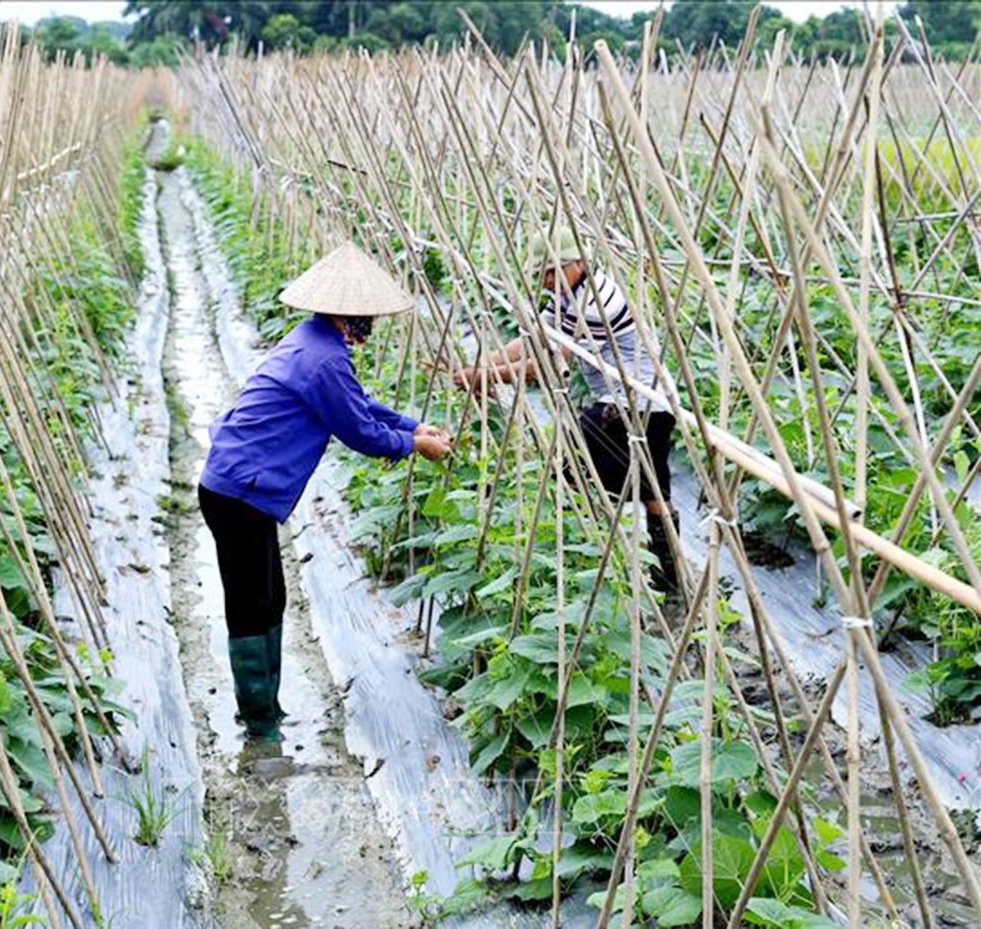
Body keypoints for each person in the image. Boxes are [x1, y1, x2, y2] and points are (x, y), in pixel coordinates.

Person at [199, 242, 452, 740]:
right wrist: (413, 444)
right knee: (253, 604)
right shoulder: (323, 358)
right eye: (364, 316)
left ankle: (264, 709)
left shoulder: (317, 343)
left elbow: (356, 403)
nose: (369, 325)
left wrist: (412, 424)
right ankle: (259, 723)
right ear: (344, 314)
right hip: (238, 494)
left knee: (271, 599)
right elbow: (357, 431)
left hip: (243, 490)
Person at [452, 228, 681, 595]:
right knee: (651, 489)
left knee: (571, 472)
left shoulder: (593, 301)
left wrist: (484, 375)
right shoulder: (571, 292)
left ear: (574, 264)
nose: (544, 282)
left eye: (549, 272)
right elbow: (535, 336)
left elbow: (546, 364)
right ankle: (668, 584)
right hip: (649, 403)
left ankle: (582, 568)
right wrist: (483, 361)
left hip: (634, 405)